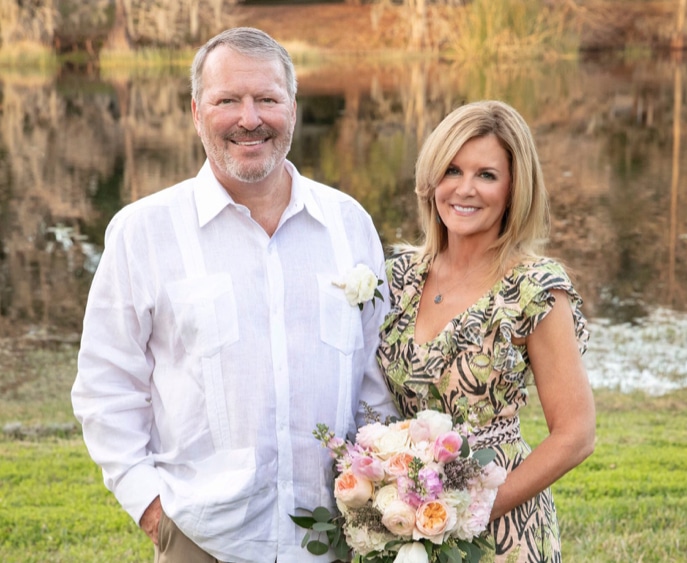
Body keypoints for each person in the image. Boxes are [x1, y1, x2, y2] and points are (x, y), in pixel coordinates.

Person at [72, 27, 397, 563]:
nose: (250, 118)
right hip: (201, 539)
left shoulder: (348, 223)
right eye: (228, 101)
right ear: (197, 112)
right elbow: (107, 387)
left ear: (291, 108)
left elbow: (372, 382)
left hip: (331, 540)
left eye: (267, 99)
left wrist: (376, 497)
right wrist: (154, 512)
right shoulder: (143, 232)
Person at [376, 100, 596, 562]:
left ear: (515, 188)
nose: (465, 189)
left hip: (502, 529)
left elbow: (575, 433)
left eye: (487, 175)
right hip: (405, 519)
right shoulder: (398, 278)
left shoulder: (534, 289)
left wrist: (474, 510)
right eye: (452, 170)